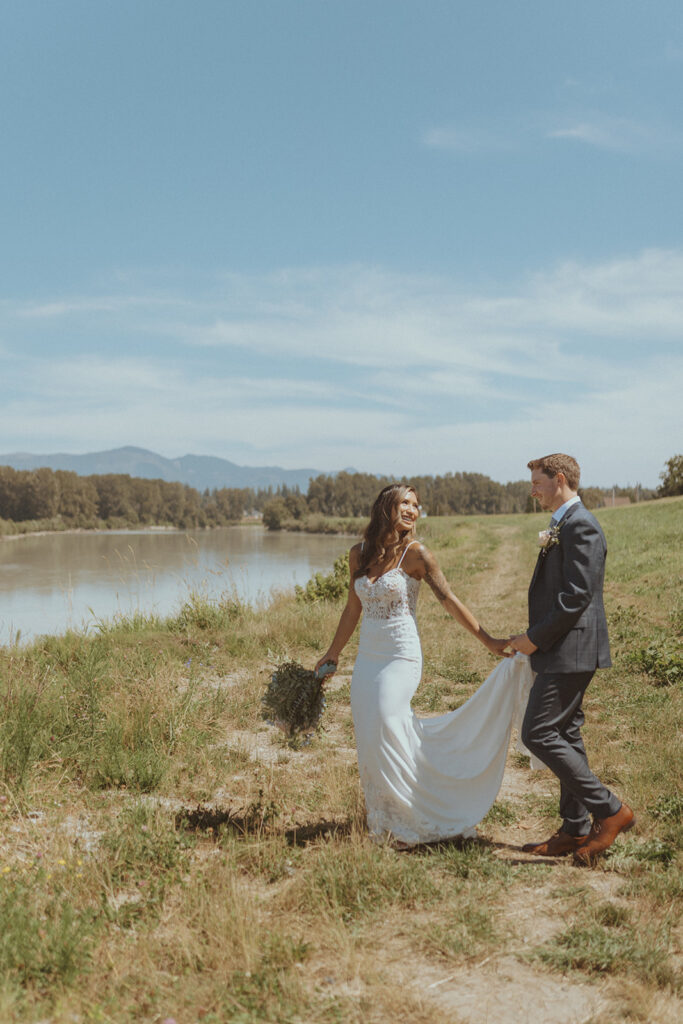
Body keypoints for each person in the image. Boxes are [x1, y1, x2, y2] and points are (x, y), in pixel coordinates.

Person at [315, 483, 534, 848]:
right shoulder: (359, 554)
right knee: (371, 733)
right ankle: (386, 818)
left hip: (401, 655)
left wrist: (490, 641)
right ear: (386, 506)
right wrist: (333, 653)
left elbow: (448, 599)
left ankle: (418, 818)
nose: (412, 510)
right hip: (368, 657)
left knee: (388, 720)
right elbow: (353, 608)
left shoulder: (417, 555)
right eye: (405, 503)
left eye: (416, 505)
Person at [509, 454, 634, 866]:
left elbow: (577, 596)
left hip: (571, 647)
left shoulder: (581, 525)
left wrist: (533, 637)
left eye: (537, 481)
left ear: (558, 479)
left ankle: (610, 810)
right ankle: (575, 828)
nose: (533, 489)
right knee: (567, 733)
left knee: (538, 732)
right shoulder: (563, 524)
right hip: (564, 647)